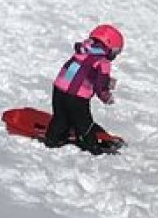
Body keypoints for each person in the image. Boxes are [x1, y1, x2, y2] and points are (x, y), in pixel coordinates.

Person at [45, 24, 123, 154]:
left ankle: (53, 138)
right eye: (115, 52)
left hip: (59, 89)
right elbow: (100, 84)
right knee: (84, 123)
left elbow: (79, 72)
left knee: (61, 117)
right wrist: (105, 95)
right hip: (77, 98)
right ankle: (91, 145)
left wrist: (106, 81)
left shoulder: (82, 51)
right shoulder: (103, 62)